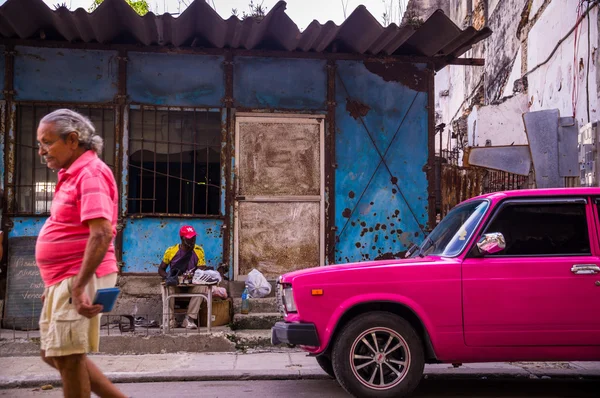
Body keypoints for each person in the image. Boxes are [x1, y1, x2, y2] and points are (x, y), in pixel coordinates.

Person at [35, 109, 125, 398]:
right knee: (53, 354)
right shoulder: (72, 174)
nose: (41, 151)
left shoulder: (91, 173)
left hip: (80, 274)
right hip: (65, 276)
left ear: (72, 140)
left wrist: (77, 285)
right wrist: (54, 285)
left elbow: (101, 232)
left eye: (47, 142)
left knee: (69, 357)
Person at [158, 225, 214, 329]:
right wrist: (168, 277)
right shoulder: (171, 251)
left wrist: (196, 275)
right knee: (167, 288)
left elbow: (201, 269)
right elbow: (161, 269)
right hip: (176, 284)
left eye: (193, 238)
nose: (192, 240)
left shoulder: (198, 250)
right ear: (182, 238)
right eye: (189, 238)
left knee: (202, 287)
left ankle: (189, 319)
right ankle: (169, 320)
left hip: (191, 284)